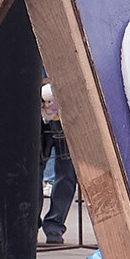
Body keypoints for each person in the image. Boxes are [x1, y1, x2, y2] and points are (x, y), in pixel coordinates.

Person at [39, 81, 76, 247]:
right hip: (37, 110)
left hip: (68, 110)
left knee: (67, 173)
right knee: (31, 172)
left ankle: (55, 225)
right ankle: (30, 223)